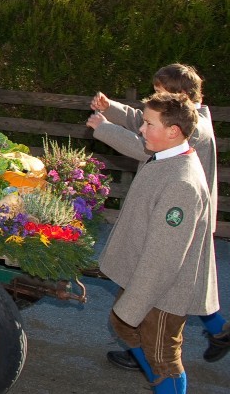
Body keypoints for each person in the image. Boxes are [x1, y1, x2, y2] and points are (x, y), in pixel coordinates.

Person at [89, 63, 227, 365]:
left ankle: (150, 354)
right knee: (187, 283)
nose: (155, 96)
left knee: (170, 284)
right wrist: (111, 107)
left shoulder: (195, 130)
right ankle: (218, 331)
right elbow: (142, 118)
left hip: (178, 211)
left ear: (181, 96)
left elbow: (144, 149)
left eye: (161, 92)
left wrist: (104, 128)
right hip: (174, 208)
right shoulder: (184, 116)